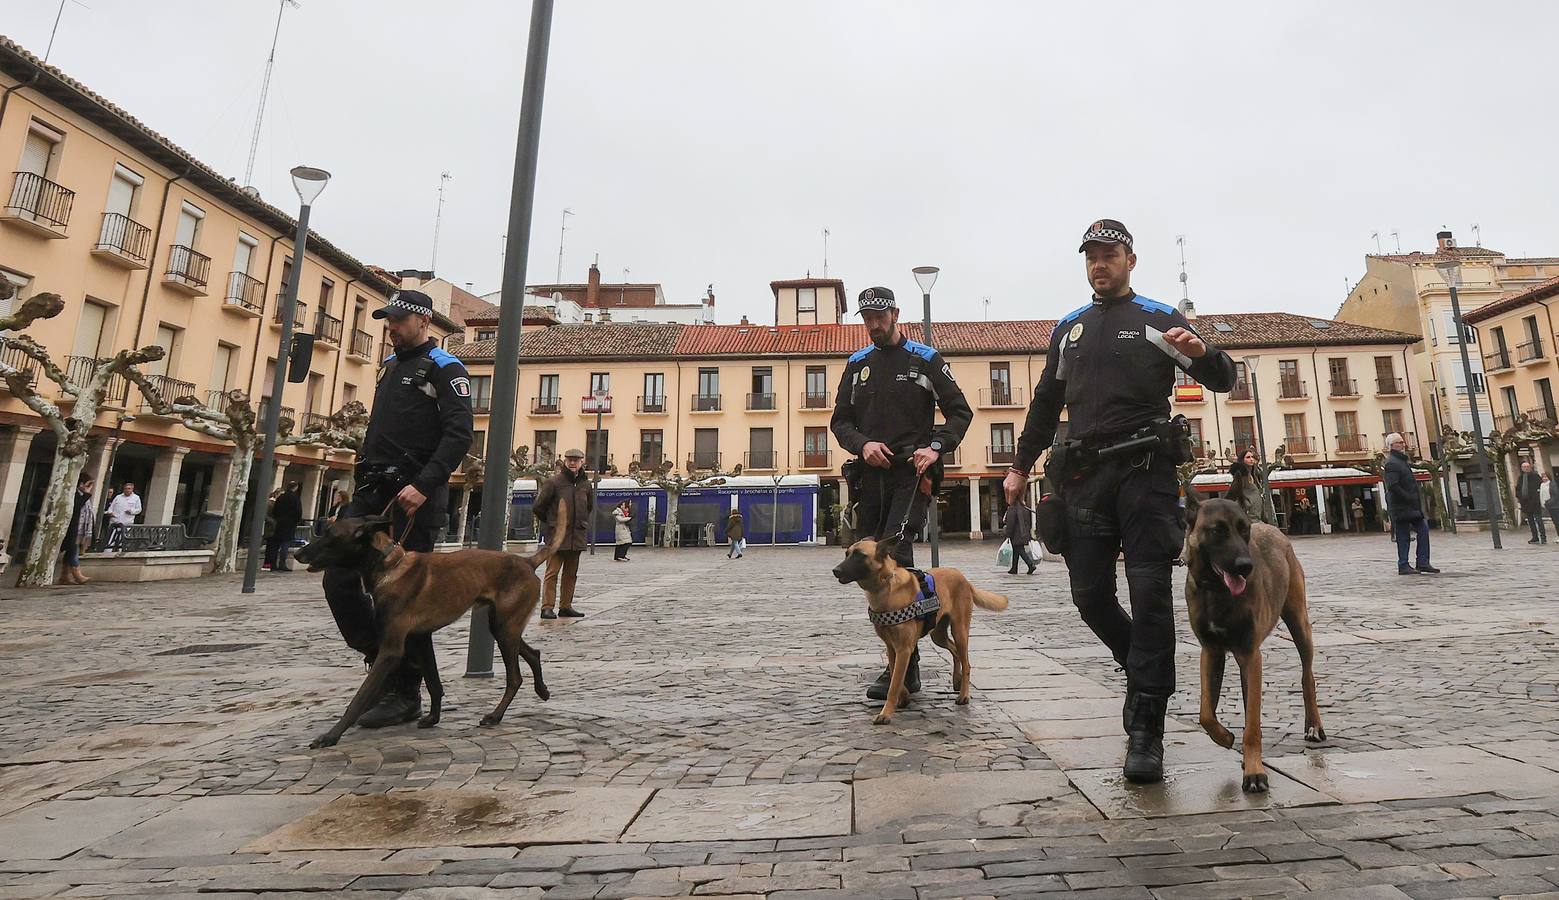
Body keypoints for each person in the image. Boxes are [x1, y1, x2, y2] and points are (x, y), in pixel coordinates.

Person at [1002, 219, 1237, 783]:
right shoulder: (1070, 329)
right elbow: (1042, 404)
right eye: (1091, 256)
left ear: (1130, 259)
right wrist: (1017, 465)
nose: (1099, 264)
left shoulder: (1158, 318)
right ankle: (1142, 669)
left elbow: (1222, 378)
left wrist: (1205, 353)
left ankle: (1145, 729)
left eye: (1109, 254)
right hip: (1084, 476)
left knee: (1150, 594)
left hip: (1146, 477)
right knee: (1089, 597)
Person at [322, 288, 473, 730]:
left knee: (403, 599)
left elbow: (459, 434)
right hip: (372, 492)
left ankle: (405, 692)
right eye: (388, 320)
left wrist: (425, 484)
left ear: (423, 321)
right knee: (339, 580)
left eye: (398, 320)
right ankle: (381, 662)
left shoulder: (445, 368)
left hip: (413, 500)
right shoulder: (388, 367)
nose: (390, 328)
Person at [831, 285, 973, 702]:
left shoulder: (925, 359)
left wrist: (936, 447)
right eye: (866, 318)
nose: (873, 324)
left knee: (898, 553)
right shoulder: (857, 364)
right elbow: (840, 422)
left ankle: (905, 669)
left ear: (895, 314)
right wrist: (862, 444)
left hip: (912, 471)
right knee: (870, 563)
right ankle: (898, 655)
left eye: (879, 316)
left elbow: (960, 412)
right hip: (870, 475)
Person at [535, 448, 592, 620]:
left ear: (582, 461)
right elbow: (539, 507)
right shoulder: (553, 483)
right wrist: (553, 523)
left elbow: (589, 507)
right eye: (570, 460)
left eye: (576, 460)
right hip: (557, 537)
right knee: (552, 572)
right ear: (565, 461)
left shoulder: (585, 485)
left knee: (571, 574)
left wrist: (581, 522)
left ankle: (566, 606)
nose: (573, 463)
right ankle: (547, 607)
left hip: (577, 536)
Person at [1382, 432, 1439, 575]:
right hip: (1402, 506)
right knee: (1403, 535)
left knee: (1423, 530)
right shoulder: (1392, 463)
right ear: (1392, 446)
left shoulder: (1401, 461)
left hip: (1411, 506)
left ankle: (1422, 562)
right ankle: (1403, 565)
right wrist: (1408, 497)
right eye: (1399, 442)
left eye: (1402, 442)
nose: (1403, 444)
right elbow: (1393, 485)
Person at [61, 473, 95, 585]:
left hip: (79, 529)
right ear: (81, 484)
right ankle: (77, 574)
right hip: (72, 527)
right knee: (73, 550)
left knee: (71, 551)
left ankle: (64, 576)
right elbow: (76, 507)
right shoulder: (74, 494)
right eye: (87, 484)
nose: (89, 487)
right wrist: (86, 493)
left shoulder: (83, 495)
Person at [1230, 449, 1275, 525]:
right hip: (1249, 519)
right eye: (1248, 457)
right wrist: (1247, 505)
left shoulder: (1255, 475)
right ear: (1242, 460)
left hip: (1259, 517)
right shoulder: (1240, 477)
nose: (1251, 459)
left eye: (1252, 457)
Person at [1516, 460, 1547, 545]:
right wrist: (1520, 498)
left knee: (1538, 520)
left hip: (1535, 503)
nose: (1526, 468)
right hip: (1525, 503)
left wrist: (1536, 498)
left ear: (1530, 467)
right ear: (1522, 468)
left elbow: (1540, 488)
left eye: (1527, 467)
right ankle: (1535, 537)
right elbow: (1518, 489)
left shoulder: (1535, 476)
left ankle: (1543, 537)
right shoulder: (1521, 477)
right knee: (1530, 521)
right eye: (1524, 467)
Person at [1003, 498, 1037, 575]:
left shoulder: (1012, 508)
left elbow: (1010, 523)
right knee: (1016, 550)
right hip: (1023, 533)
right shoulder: (1025, 508)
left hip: (1016, 534)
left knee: (1020, 549)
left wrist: (1008, 535)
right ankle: (1014, 568)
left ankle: (1030, 564)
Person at [106, 481, 141, 548]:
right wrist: (110, 513)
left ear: (132, 489)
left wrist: (131, 511)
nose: (127, 490)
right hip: (115, 522)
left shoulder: (136, 498)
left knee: (122, 541)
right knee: (110, 539)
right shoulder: (118, 497)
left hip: (127, 522)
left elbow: (139, 509)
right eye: (125, 488)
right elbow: (111, 508)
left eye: (129, 488)